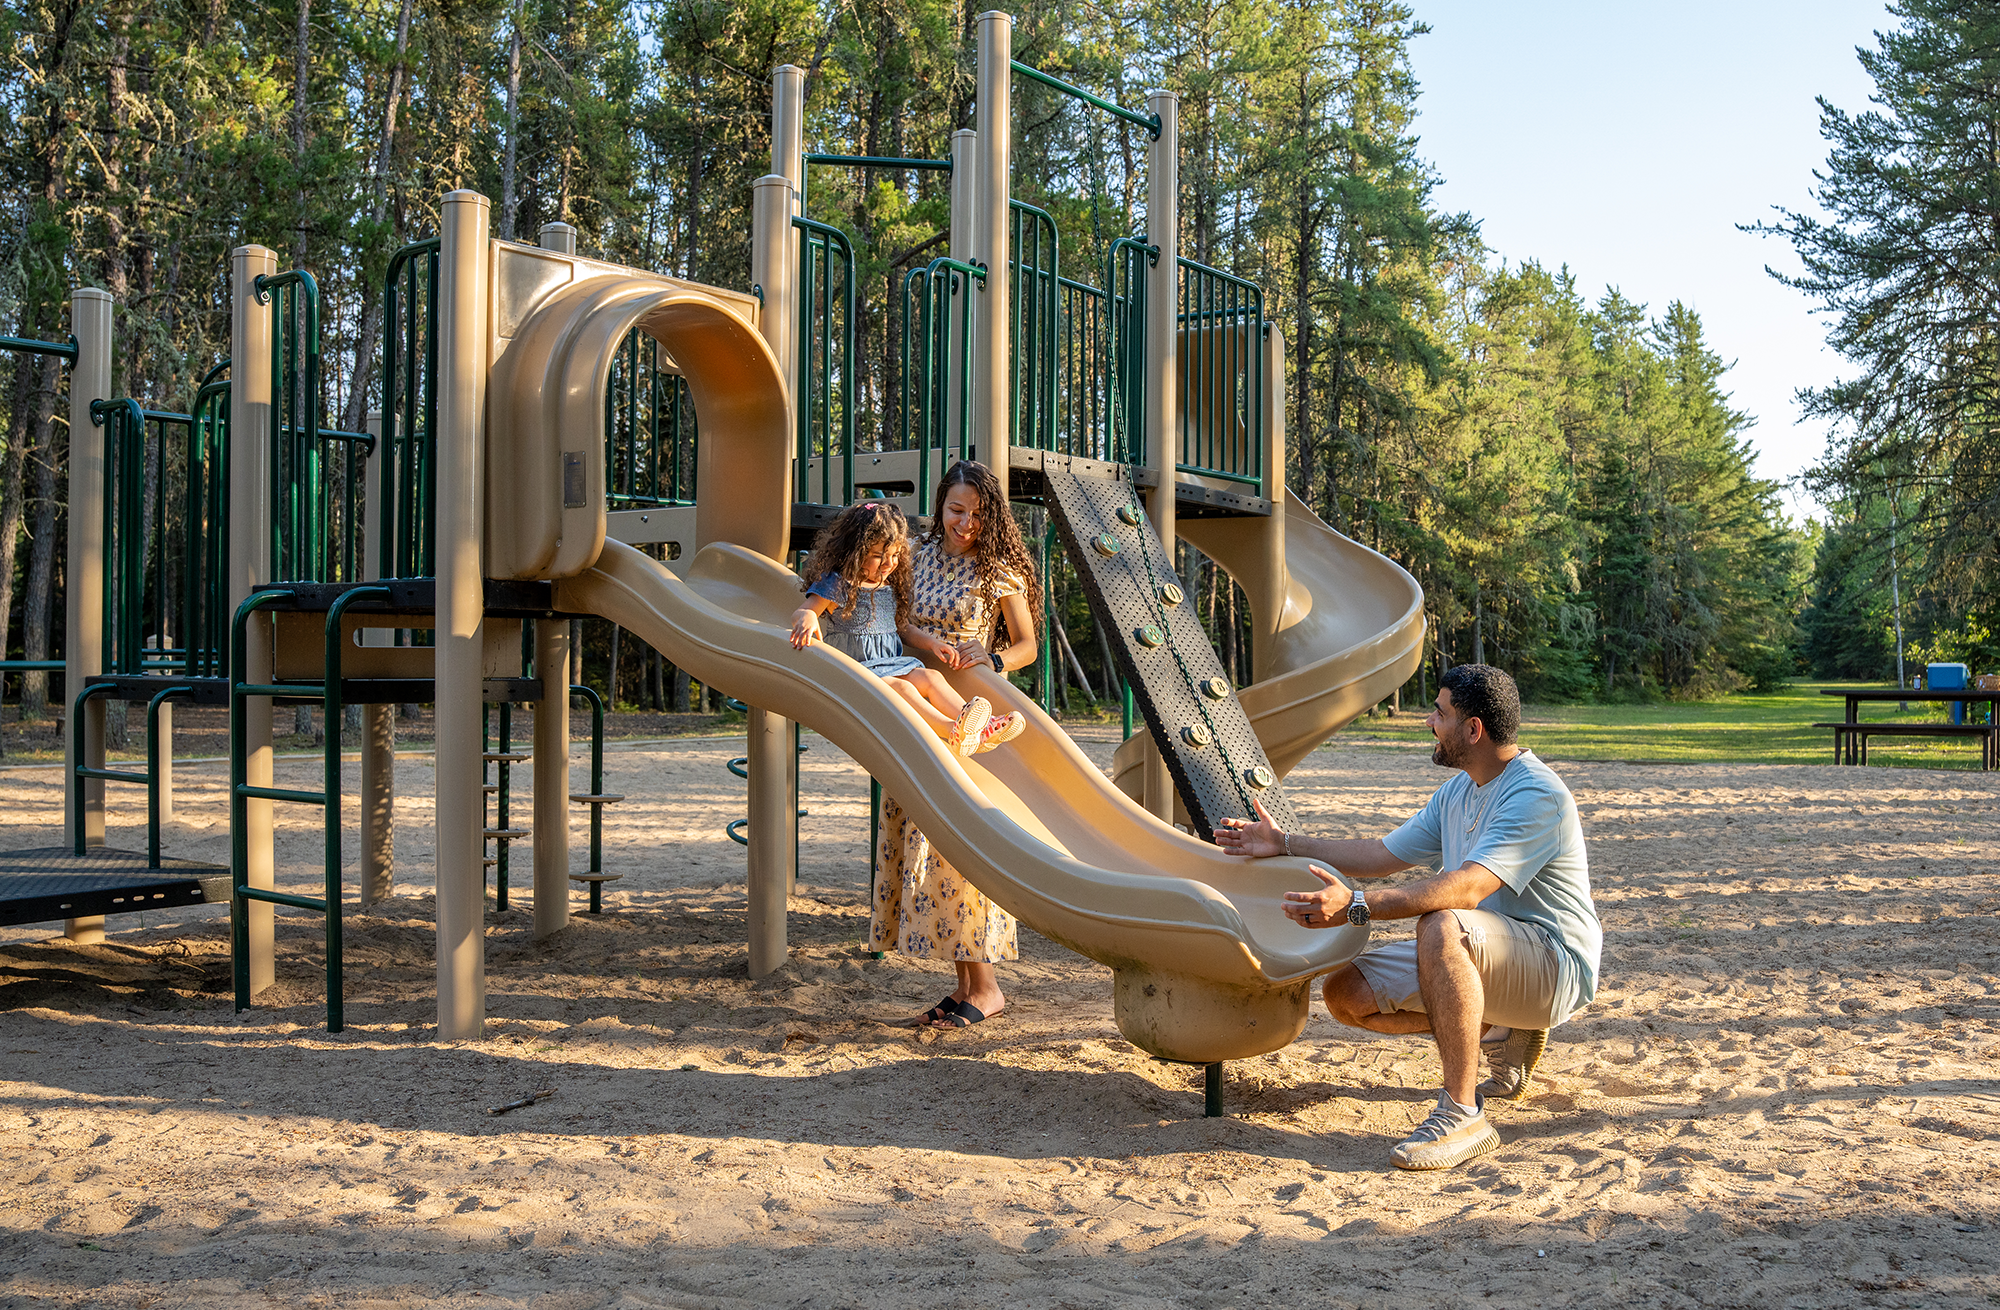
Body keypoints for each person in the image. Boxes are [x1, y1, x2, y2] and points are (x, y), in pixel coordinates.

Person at [1215, 664, 1599, 1171]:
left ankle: (1463, 1113)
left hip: (1554, 965)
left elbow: (1468, 887)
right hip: (1487, 953)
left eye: (1439, 713)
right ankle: (1497, 1029)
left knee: (1442, 921)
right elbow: (1380, 854)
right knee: (1346, 994)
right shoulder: (1459, 790)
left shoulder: (1535, 794)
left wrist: (1355, 905)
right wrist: (1283, 842)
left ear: (1473, 729)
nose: (1428, 722)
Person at [870, 460, 1040, 1029]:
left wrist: (992, 657)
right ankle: (963, 983)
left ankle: (986, 986)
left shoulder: (999, 572)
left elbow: (1026, 646)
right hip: (917, 714)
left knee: (961, 854)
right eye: (955, 509)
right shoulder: (914, 556)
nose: (964, 522)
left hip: (971, 723)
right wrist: (922, 637)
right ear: (940, 505)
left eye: (976, 512)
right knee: (927, 848)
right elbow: (892, 621)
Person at [790, 500, 1024, 757]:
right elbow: (805, 610)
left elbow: (902, 628)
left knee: (932, 677)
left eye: (893, 555)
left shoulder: (887, 586)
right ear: (854, 551)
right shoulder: (839, 583)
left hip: (888, 665)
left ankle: (978, 727)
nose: (888, 564)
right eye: (878, 555)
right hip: (855, 673)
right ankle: (952, 731)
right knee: (905, 689)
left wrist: (933, 644)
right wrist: (809, 617)